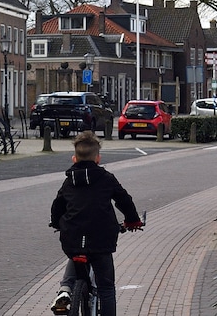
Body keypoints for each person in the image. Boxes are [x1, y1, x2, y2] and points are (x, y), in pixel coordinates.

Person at [49, 131, 143, 316]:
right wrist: (133, 220)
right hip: (101, 239)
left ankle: (65, 290)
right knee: (106, 288)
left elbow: (57, 206)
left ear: (74, 158)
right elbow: (124, 200)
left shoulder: (69, 181)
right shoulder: (106, 178)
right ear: (98, 158)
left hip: (73, 236)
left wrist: (56, 223)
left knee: (75, 251)